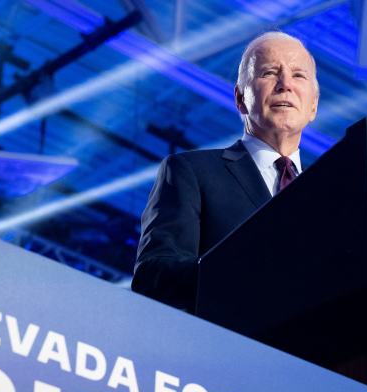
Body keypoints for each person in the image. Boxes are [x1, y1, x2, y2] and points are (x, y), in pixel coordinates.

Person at [131, 32, 319, 311]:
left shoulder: (330, 195)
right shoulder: (190, 172)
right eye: (269, 72)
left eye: (299, 75)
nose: (285, 85)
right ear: (240, 97)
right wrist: (241, 274)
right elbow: (154, 275)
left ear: (313, 104)